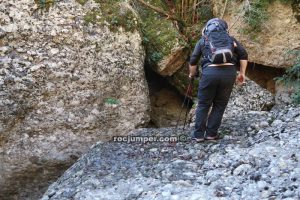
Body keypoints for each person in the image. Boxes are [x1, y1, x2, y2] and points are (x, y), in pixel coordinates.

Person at [189, 18, 248, 142]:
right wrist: (242, 73)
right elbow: (243, 54)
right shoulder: (231, 40)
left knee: (204, 104)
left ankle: (199, 135)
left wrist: (192, 74)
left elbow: (193, 60)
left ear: (207, 28)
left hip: (210, 73)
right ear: (224, 28)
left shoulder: (203, 40)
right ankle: (211, 134)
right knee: (220, 105)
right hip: (229, 74)